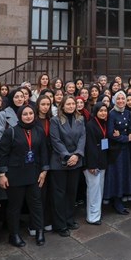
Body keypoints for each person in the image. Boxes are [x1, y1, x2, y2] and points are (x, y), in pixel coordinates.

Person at [0, 105, 49, 246]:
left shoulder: (38, 130)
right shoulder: (11, 132)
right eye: (25, 114)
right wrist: (2, 174)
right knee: (15, 206)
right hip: (15, 175)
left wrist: (44, 171)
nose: (28, 116)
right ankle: (13, 234)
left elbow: (43, 151)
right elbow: (2, 154)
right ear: (20, 116)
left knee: (36, 204)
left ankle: (39, 231)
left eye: (31, 113)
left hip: (34, 174)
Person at [49, 96, 86, 236]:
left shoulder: (80, 119)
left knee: (72, 193)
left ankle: (69, 219)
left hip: (76, 161)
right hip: (60, 162)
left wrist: (77, 155)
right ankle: (60, 224)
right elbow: (55, 140)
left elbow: (83, 137)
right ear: (62, 106)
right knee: (60, 194)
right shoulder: (55, 120)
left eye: (73, 104)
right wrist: (67, 155)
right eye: (68, 104)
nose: (71, 106)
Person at [106, 92, 131, 215]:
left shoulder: (128, 113)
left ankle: (122, 196)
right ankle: (116, 200)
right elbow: (111, 134)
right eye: (118, 98)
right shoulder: (111, 114)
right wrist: (126, 138)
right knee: (117, 174)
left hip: (126, 150)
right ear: (114, 100)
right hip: (116, 150)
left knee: (124, 173)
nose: (121, 101)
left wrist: (128, 135)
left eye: (123, 98)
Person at [83, 103, 109, 224]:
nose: (103, 113)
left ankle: (97, 213)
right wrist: (92, 165)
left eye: (105, 110)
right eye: (101, 111)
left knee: (100, 188)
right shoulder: (90, 125)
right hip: (92, 163)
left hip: (102, 159)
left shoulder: (104, 123)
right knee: (93, 189)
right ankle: (92, 217)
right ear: (95, 112)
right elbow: (90, 146)